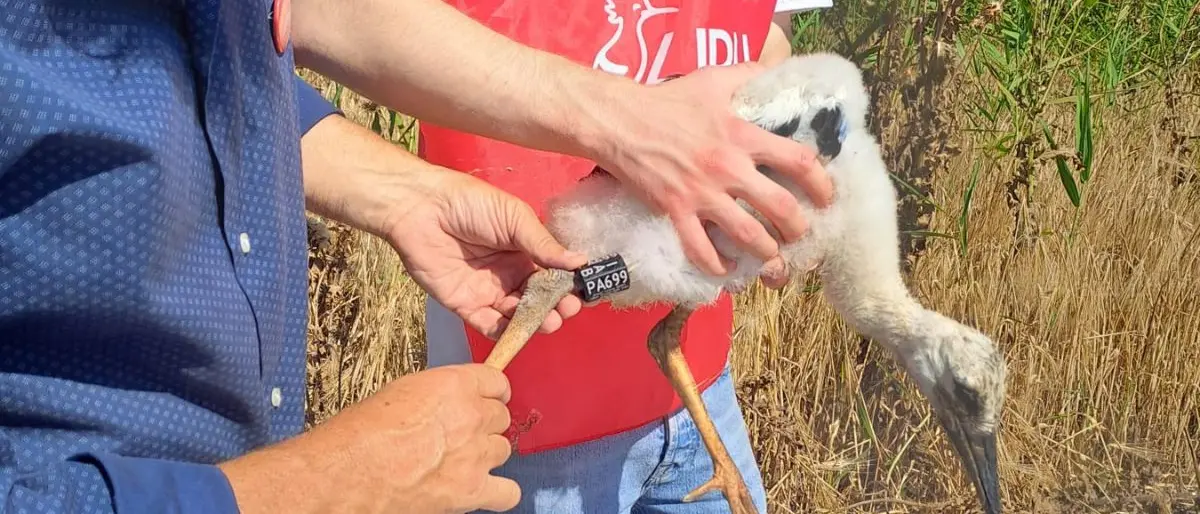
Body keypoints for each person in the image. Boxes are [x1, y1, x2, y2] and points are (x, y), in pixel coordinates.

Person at [0, 1, 832, 514]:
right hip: (530, 428)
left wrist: (401, 192)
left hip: (690, 392)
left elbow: (254, 44)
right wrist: (325, 484)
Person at [417, 1, 832, 512]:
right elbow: (369, 32)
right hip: (530, 426)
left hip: (700, 396)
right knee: (550, 277)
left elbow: (768, 37)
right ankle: (465, 410)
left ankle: (718, 460)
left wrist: (758, 189)